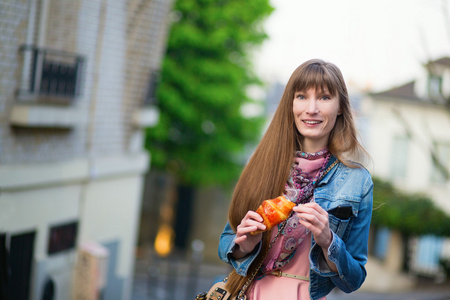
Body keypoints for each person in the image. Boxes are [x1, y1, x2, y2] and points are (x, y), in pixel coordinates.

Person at [218, 59, 373, 300]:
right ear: (290, 103)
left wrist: (328, 241)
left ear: (341, 106)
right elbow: (226, 241)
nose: (311, 108)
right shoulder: (262, 164)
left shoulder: (356, 181)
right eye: (301, 96)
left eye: (324, 97)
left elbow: (354, 280)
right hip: (251, 293)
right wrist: (244, 247)